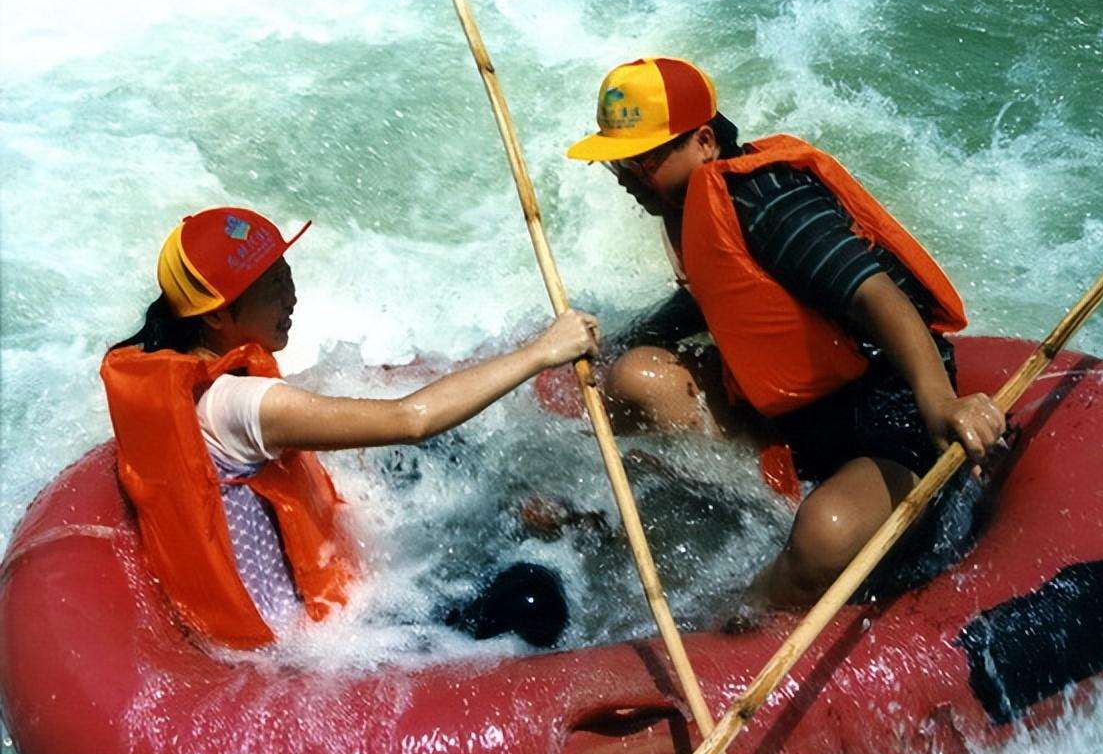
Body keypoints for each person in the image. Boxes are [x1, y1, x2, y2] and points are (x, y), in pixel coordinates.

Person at [565, 57, 1006, 606]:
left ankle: (744, 615)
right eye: (618, 166)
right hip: (794, 421)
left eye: (643, 162)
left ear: (704, 142)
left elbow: (875, 295)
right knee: (634, 378)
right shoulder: (690, 200)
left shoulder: (773, 202)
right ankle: (620, 510)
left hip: (885, 418)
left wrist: (941, 402)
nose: (630, 181)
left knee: (826, 535)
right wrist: (621, 343)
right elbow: (712, 297)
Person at [101, 206, 599, 649]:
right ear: (219, 317)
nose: (291, 297)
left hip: (308, 633)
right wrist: (542, 352)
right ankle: (566, 536)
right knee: (534, 598)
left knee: (445, 462)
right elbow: (412, 419)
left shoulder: (190, 386)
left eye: (286, 275)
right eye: (273, 287)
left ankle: (539, 523)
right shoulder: (241, 403)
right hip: (313, 650)